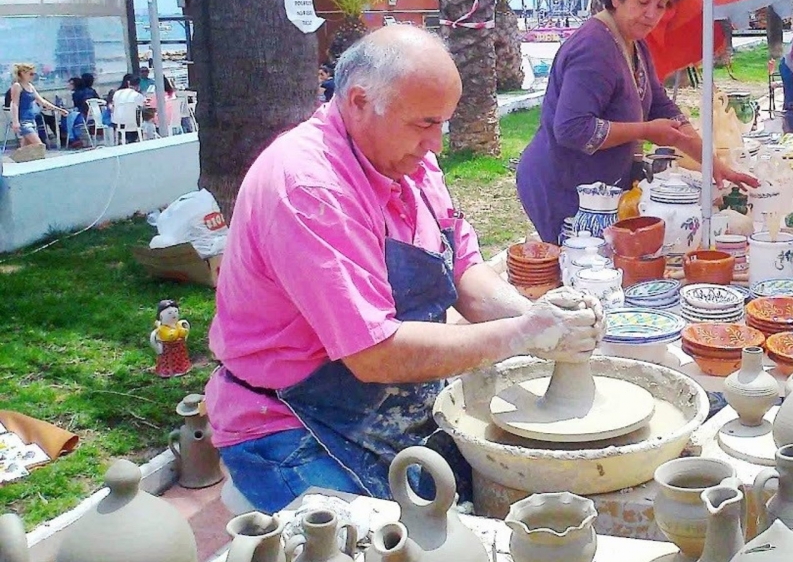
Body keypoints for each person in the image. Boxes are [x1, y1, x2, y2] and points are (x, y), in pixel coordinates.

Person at [205, 26, 606, 512]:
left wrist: (543, 319)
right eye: (423, 124)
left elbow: (465, 273)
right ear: (357, 101)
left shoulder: (407, 160)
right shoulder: (308, 189)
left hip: (390, 403)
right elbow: (374, 356)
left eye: (443, 123)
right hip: (289, 422)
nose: (436, 143)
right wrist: (523, 334)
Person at [516, 0, 758, 243]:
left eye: (662, 5)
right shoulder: (593, 48)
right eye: (644, 1)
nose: (651, 14)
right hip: (561, 183)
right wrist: (645, 131)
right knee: (582, 271)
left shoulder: (635, 42)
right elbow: (572, 129)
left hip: (596, 188)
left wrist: (714, 166)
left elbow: (662, 107)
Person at [7, 63, 67, 147]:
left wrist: (59, 110)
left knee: (26, 149)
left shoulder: (30, 86)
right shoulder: (17, 86)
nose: (33, 76)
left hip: (32, 120)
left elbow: (42, 102)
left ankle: (22, 159)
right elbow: (14, 104)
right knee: (38, 146)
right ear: (22, 73)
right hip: (23, 121)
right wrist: (15, 122)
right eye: (30, 74)